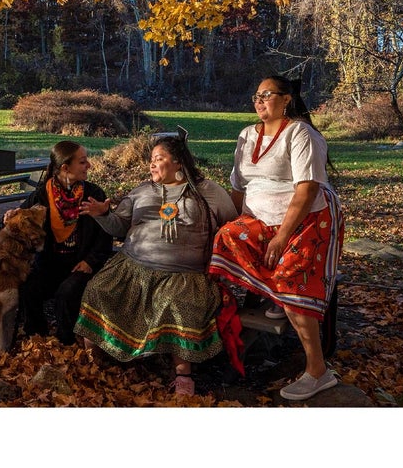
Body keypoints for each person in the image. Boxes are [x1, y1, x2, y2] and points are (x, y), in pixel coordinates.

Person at [209, 75, 344, 401]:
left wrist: (282, 238)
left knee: (291, 282)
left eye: (267, 95)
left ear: (286, 100)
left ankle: (317, 371)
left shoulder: (301, 134)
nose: (259, 101)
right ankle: (272, 298)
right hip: (261, 220)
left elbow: (307, 188)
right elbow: (239, 188)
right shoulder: (245, 135)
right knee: (224, 238)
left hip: (307, 220)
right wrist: (239, 221)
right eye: (256, 95)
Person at [72, 130, 238, 397]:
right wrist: (103, 214)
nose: (151, 163)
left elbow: (232, 228)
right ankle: (94, 357)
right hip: (132, 267)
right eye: (150, 158)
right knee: (98, 289)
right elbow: (118, 226)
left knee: (177, 303)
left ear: (179, 163)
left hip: (184, 275)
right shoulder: (142, 191)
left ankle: (183, 375)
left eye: (158, 158)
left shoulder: (209, 192)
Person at [16, 140, 113, 346]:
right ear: (65, 168)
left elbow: (105, 237)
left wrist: (90, 261)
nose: (89, 166)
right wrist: (12, 215)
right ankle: (37, 337)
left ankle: (66, 342)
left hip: (83, 264)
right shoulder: (44, 193)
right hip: (51, 263)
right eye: (83, 162)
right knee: (28, 285)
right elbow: (22, 213)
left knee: (66, 293)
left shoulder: (94, 194)